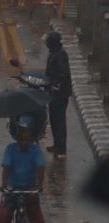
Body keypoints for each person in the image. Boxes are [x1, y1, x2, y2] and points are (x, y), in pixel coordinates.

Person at [44, 30, 73, 159]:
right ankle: (56, 145)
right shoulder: (53, 53)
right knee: (54, 119)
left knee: (59, 120)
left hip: (59, 94)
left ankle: (61, 149)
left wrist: (56, 86)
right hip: (53, 91)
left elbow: (64, 74)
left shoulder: (60, 55)